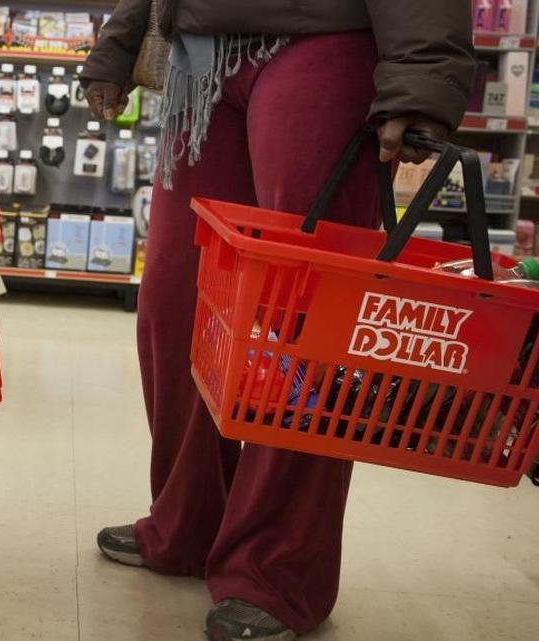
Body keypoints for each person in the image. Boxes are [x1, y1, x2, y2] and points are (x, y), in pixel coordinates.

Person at [81, 3, 474, 640]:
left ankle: (276, 570)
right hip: (200, 58)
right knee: (177, 301)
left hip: (320, 37)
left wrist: (422, 78)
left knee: (305, 314)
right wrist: (120, 42)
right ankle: (188, 520)